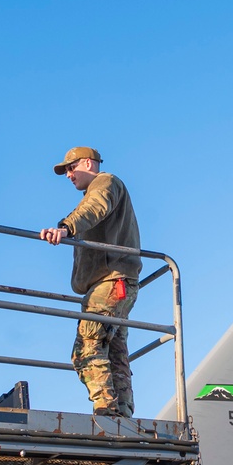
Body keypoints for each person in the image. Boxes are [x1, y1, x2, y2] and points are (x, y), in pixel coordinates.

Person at [40, 147, 141, 417]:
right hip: (114, 283)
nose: (69, 174)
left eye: (72, 168)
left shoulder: (104, 184)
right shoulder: (97, 191)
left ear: (88, 163)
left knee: (87, 346)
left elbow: (95, 207)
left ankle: (107, 411)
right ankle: (121, 411)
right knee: (113, 350)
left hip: (110, 282)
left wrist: (66, 227)